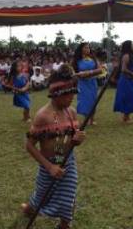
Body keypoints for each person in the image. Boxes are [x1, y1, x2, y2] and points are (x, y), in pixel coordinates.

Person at [21, 64, 86, 229]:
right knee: (42, 195)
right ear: (56, 93)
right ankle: (30, 209)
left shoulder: (71, 112)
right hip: (48, 165)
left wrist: (77, 139)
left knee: (68, 197)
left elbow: (72, 138)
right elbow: (29, 145)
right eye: (68, 93)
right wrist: (49, 167)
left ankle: (64, 225)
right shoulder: (43, 116)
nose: (72, 97)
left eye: (73, 92)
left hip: (68, 163)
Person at [72, 43, 102, 125]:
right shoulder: (76, 61)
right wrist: (80, 75)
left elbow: (100, 70)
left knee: (93, 100)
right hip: (82, 83)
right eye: (85, 47)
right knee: (85, 101)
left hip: (92, 83)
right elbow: (74, 73)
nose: (88, 49)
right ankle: (86, 118)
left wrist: (89, 72)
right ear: (81, 49)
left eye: (89, 47)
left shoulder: (93, 59)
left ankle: (92, 119)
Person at [113, 40, 133, 123]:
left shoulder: (130, 55)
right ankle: (125, 118)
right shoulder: (126, 56)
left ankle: (126, 117)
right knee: (128, 97)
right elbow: (123, 69)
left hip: (130, 79)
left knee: (130, 97)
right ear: (128, 46)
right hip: (125, 80)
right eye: (132, 44)